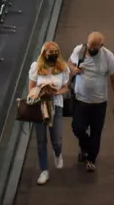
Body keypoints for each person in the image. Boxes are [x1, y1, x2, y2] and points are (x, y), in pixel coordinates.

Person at [69, 32, 114, 172]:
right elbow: (70, 62)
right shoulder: (79, 51)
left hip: (99, 103)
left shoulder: (108, 57)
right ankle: (86, 147)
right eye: (89, 46)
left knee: (96, 132)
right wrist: (73, 69)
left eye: (94, 48)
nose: (90, 49)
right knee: (77, 127)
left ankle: (91, 159)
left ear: (101, 46)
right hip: (80, 100)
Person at [29, 42, 70, 185]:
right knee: (41, 141)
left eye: (55, 52)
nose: (53, 54)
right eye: (50, 52)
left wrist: (56, 91)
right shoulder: (36, 67)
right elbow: (31, 88)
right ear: (44, 53)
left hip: (56, 104)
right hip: (40, 106)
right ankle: (44, 170)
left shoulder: (63, 68)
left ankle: (58, 153)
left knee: (56, 139)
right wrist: (39, 92)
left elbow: (65, 87)